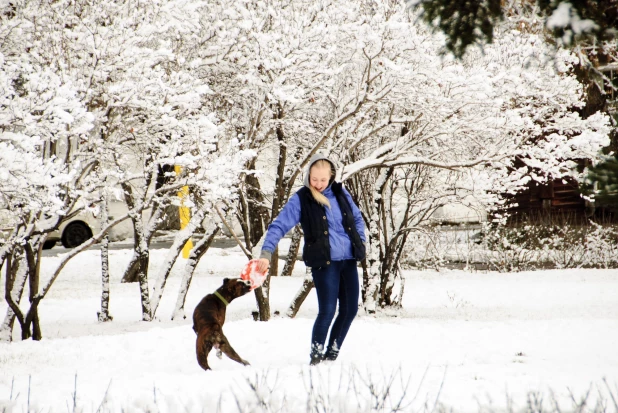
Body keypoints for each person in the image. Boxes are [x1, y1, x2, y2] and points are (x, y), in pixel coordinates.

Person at [256, 154, 366, 365]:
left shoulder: (341, 193)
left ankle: (331, 355)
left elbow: (357, 218)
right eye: (314, 179)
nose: (318, 184)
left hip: (349, 260)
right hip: (324, 264)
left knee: (350, 310)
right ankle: (316, 358)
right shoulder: (302, 199)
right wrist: (266, 253)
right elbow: (279, 225)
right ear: (309, 176)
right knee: (327, 311)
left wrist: (360, 241)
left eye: (323, 180)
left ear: (331, 176)